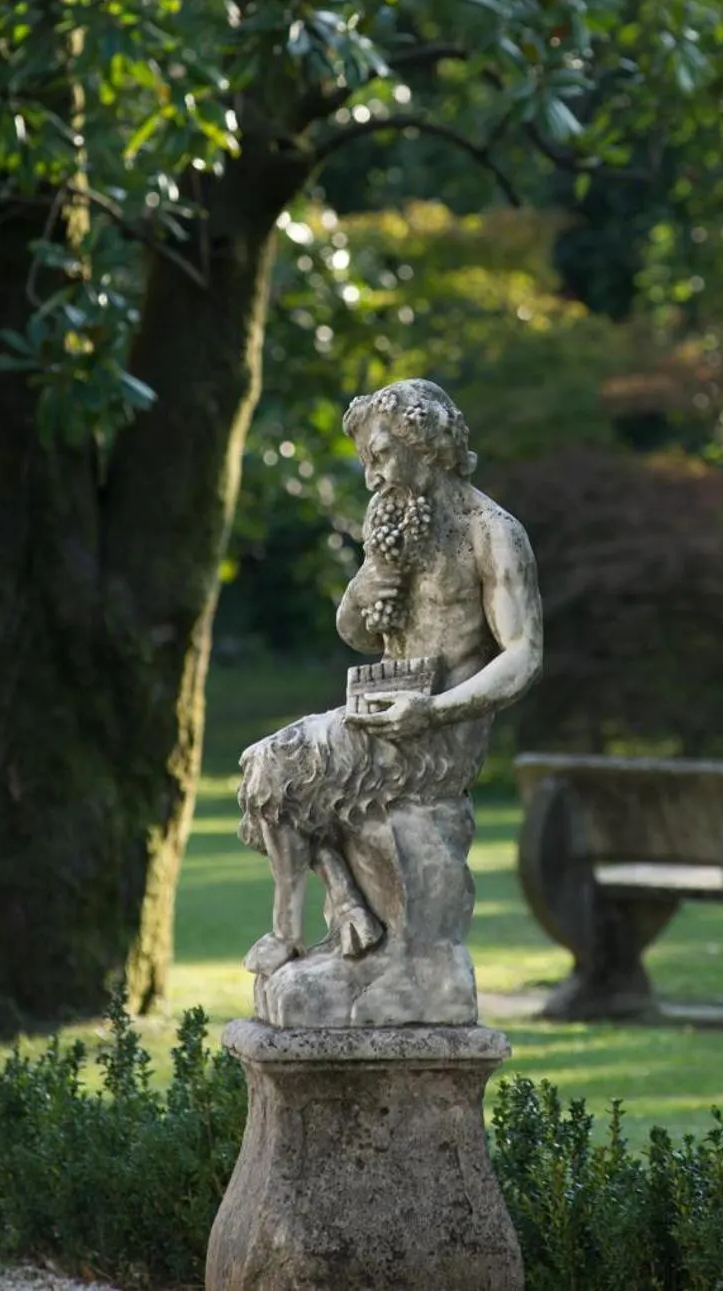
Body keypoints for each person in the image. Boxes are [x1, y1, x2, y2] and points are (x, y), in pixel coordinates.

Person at [239, 378, 542, 990]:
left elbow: (523, 656)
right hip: (384, 713)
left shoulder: (492, 532)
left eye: (380, 456)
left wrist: (432, 710)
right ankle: (341, 906)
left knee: (274, 769)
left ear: (425, 444)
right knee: (263, 773)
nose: (372, 476)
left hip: (438, 736)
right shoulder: (399, 519)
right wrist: (362, 589)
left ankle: (298, 930)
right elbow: (358, 632)